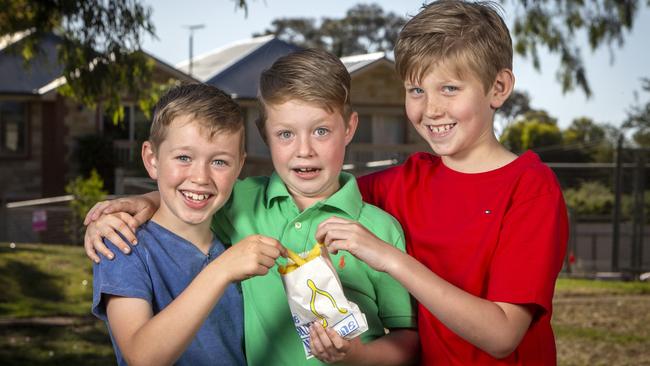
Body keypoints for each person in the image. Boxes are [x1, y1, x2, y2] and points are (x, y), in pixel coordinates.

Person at [85, 49, 419, 366]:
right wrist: (138, 204)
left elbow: (409, 339)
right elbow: (195, 195)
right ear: (266, 135)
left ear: (349, 128)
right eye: (286, 134)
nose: (304, 150)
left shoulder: (380, 229)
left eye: (320, 131)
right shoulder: (242, 204)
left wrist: (359, 356)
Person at [314, 1, 568, 365]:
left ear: (498, 87)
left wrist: (391, 260)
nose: (430, 109)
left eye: (449, 88)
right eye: (416, 90)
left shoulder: (530, 189)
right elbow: (314, 196)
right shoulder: (400, 183)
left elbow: (502, 335)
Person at [91, 83, 287, 366]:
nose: (200, 177)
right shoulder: (123, 245)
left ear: (239, 167)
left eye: (219, 162)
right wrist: (221, 271)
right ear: (152, 159)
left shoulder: (236, 239)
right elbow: (141, 356)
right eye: (184, 157)